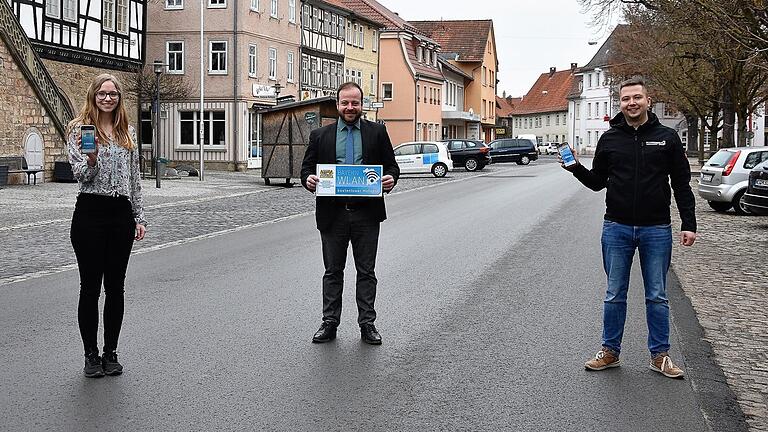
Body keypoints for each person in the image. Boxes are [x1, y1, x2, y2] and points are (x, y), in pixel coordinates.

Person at [560, 76, 696, 379]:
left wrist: (689, 223)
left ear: (648, 100)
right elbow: (597, 183)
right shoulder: (610, 139)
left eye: (637, 98)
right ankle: (610, 352)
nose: (631, 103)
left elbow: (682, 184)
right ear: (619, 103)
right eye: (625, 99)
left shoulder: (667, 137)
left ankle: (659, 355)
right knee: (614, 293)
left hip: (656, 228)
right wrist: (575, 168)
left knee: (657, 295)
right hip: (617, 227)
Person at [301, 82, 400, 345]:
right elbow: (306, 169)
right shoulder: (320, 135)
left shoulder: (377, 132)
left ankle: (367, 324)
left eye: (354, 103)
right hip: (332, 215)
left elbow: (392, 166)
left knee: (366, 271)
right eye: (345, 103)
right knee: (333, 271)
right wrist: (308, 180)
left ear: (361, 105)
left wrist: (390, 178)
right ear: (337, 105)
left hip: (366, 215)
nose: (350, 107)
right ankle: (329, 323)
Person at [67, 73, 147, 377]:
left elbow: (135, 178)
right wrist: (91, 159)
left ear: (119, 98)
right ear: (93, 95)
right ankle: (91, 355)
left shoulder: (126, 131)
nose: (107, 98)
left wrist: (139, 217)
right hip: (90, 211)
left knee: (116, 288)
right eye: (102, 93)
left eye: (113, 94)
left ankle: (111, 352)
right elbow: (80, 176)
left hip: (120, 214)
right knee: (90, 288)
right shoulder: (79, 129)